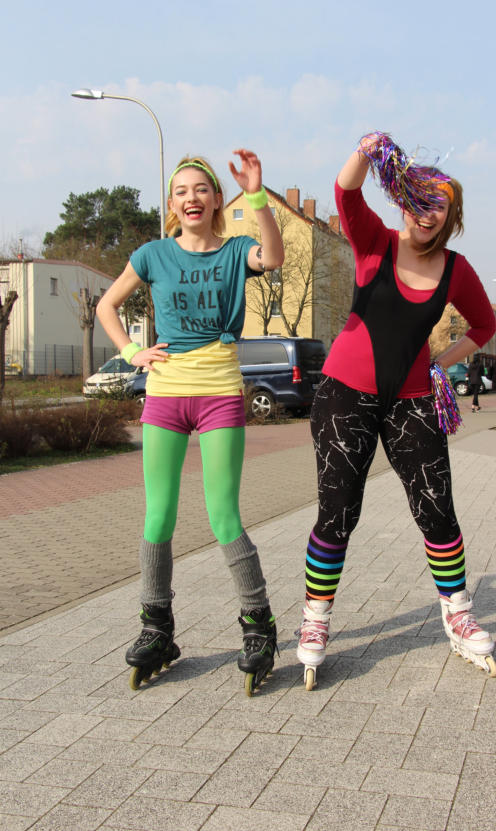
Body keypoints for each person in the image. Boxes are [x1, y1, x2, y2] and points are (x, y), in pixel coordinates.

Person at [296, 132, 496, 689]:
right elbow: (345, 191)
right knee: (338, 513)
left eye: (439, 205)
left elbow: (484, 325)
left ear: (451, 216)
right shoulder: (373, 242)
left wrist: (439, 363)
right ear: (403, 199)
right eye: (419, 199)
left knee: (437, 510)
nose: (427, 213)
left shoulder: (456, 270)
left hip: (412, 402)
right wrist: (366, 151)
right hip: (344, 395)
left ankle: (457, 613)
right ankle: (315, 620)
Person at [96, 149, 284, 695]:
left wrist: (257, 195)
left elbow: (273, 256)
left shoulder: (235, 251)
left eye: (201, 189)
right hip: (165, 394)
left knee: (223, 515)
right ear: (172, 204)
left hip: (220, 391)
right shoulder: (153, 255)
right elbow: (107, 306)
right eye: (181, 192)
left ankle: (259, 626)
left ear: (216, 199)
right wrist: (131, 352)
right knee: (158, 516)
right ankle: (156, 628)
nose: (191, 198)